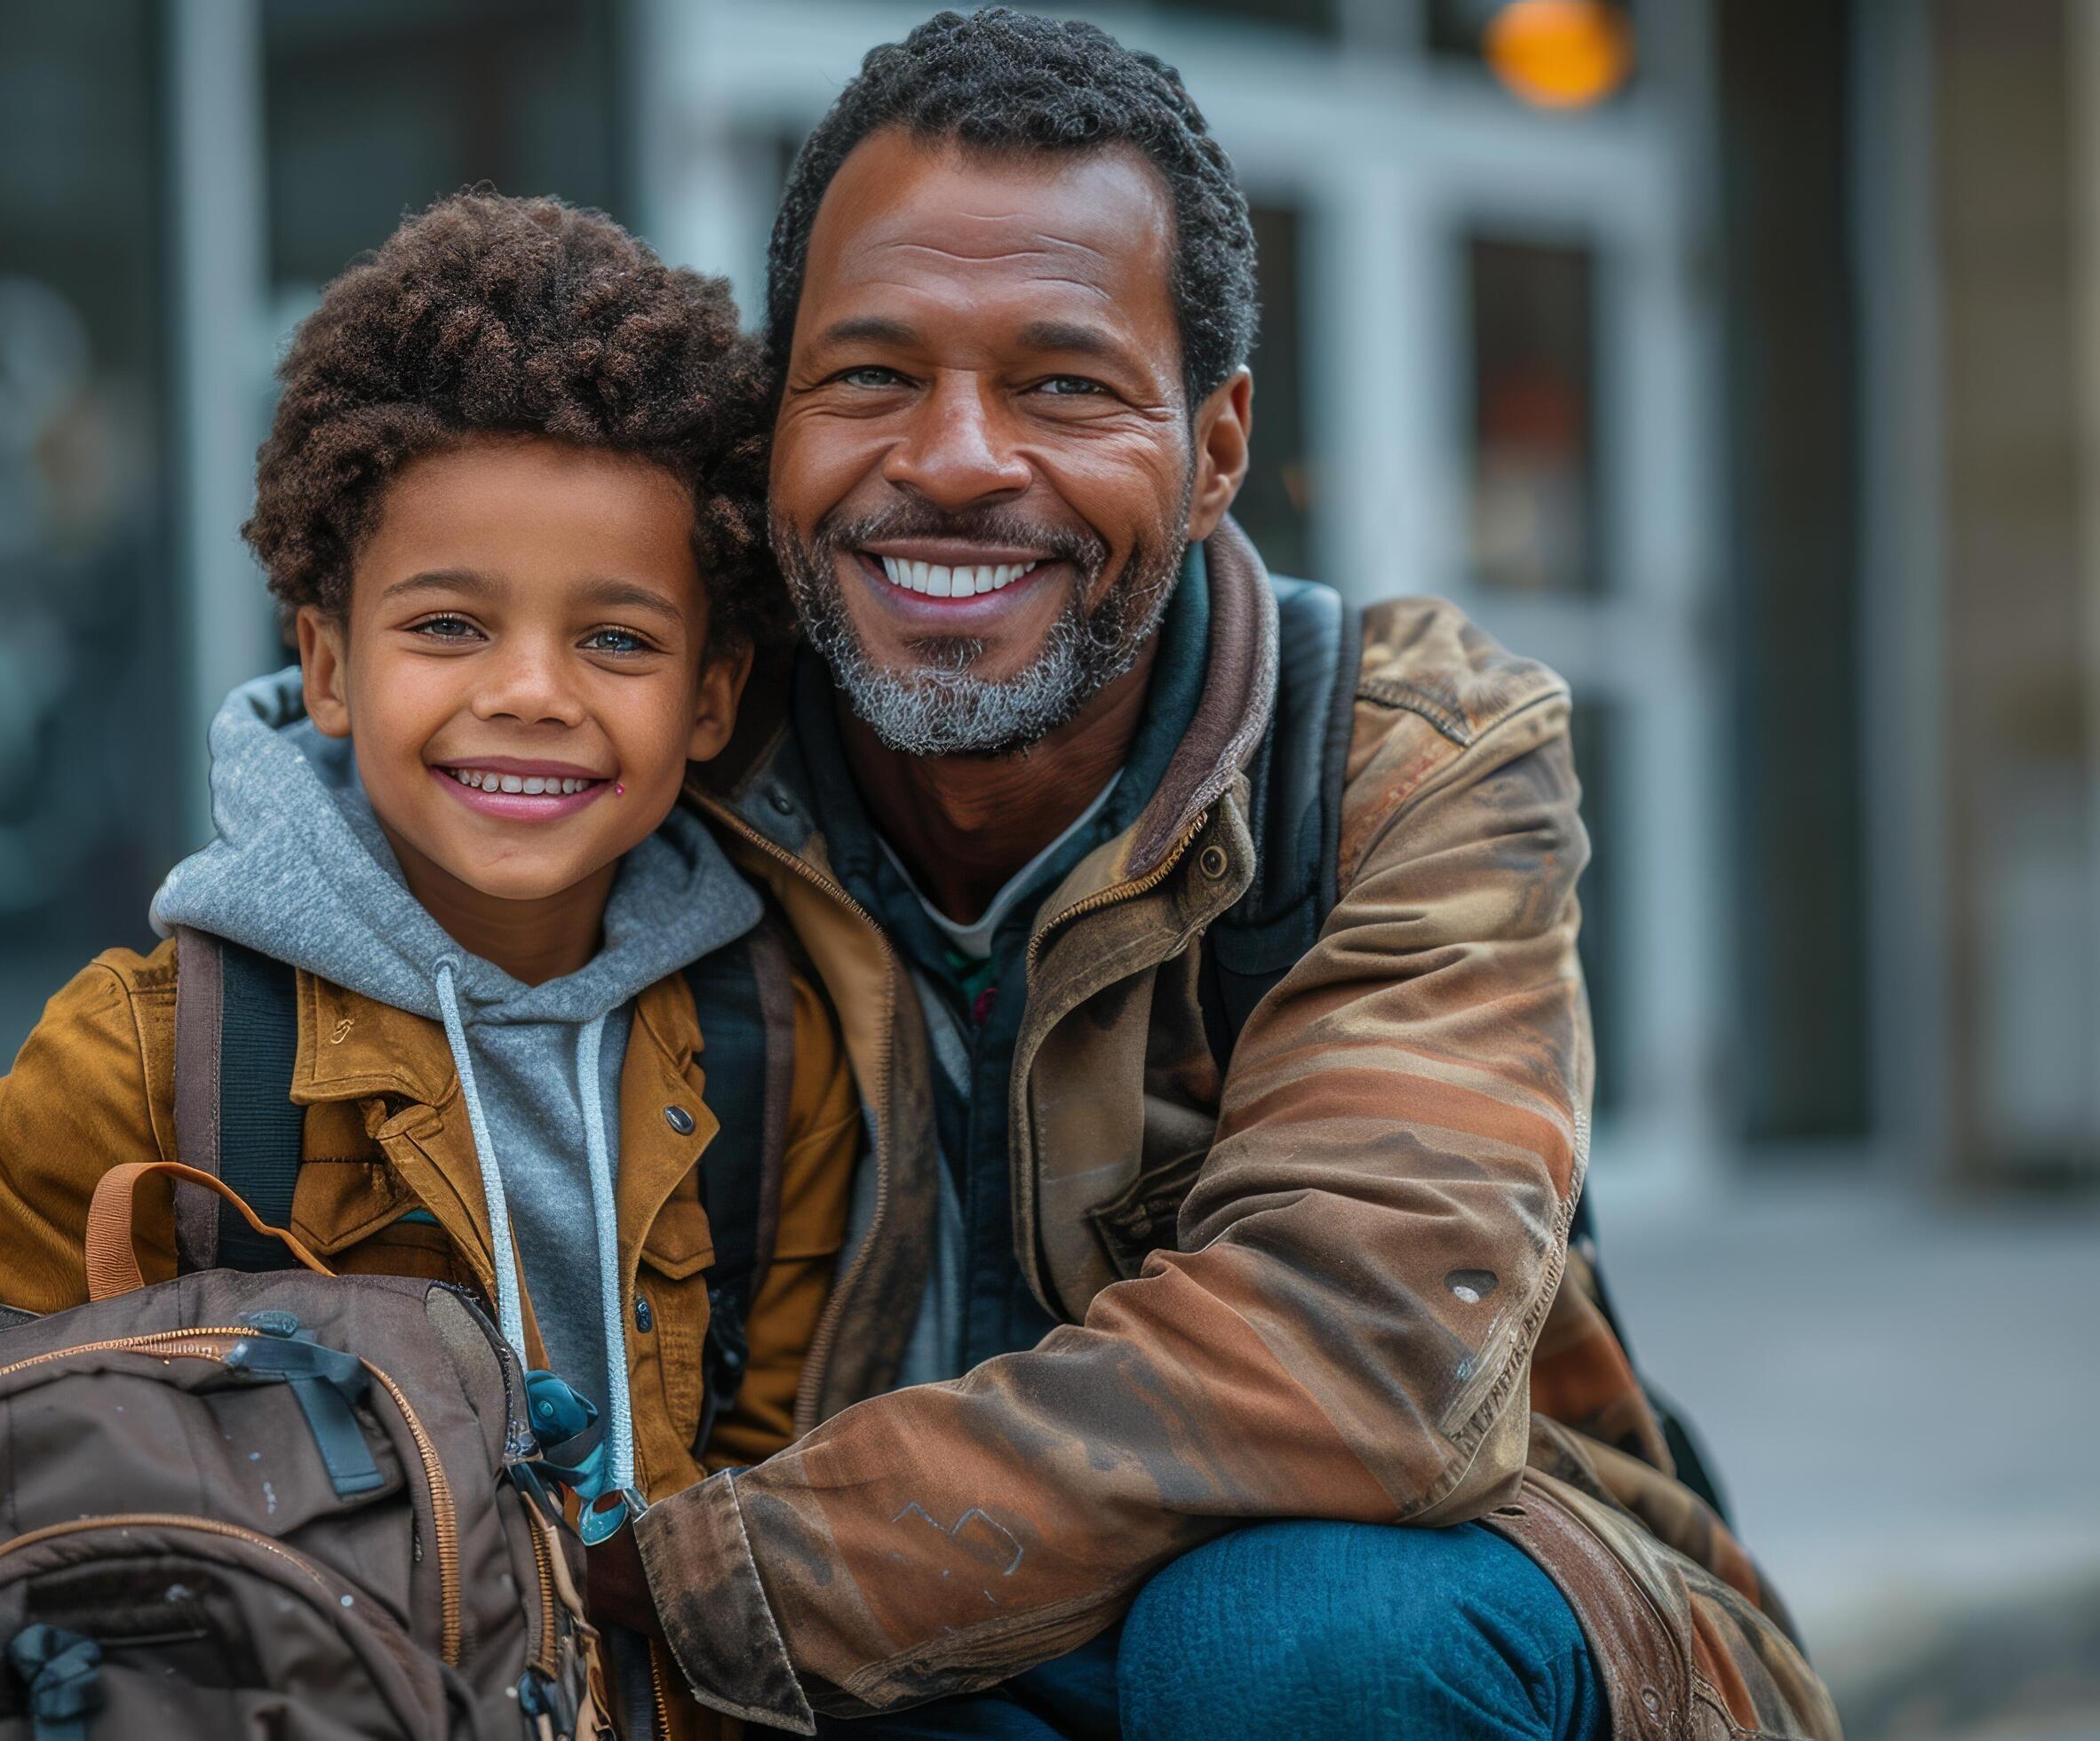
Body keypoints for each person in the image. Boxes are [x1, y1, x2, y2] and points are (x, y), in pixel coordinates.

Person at [591, 12, 1841, 1741]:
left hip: (1418, 1608)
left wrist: (683, 1597)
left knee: (1292, 1638)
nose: (954, 457)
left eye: (1063, 383)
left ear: (1220, 444)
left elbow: (1363, 1356)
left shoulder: (1403, 755)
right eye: (871, 373)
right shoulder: (664, 751)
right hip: (914, 1646)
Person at [0, 193, 862, 1732]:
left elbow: (773, 1456)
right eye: (449, 625)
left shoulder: (772, 1044)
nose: (532, 692)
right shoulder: (177, 1043)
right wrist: (76, 1447)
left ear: (709, 693)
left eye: (616, 640)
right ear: (330, 663)